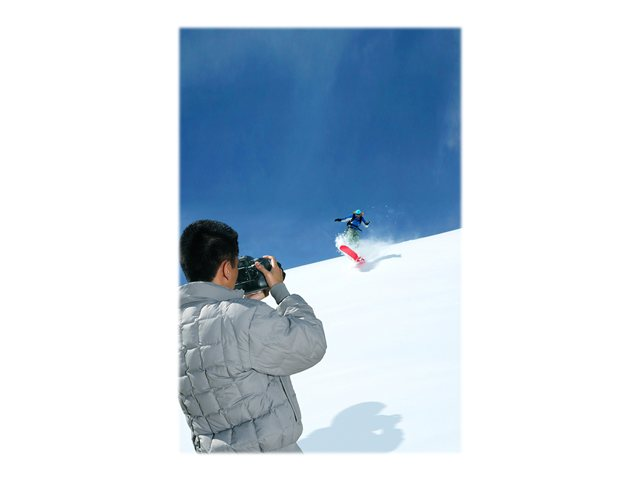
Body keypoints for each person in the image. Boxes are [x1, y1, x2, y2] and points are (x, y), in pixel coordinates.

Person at [178, 219, 327, 453]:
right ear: (227, 269)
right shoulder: (244, 318)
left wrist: (239, 305)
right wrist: (280, 291)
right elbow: (311, 343)